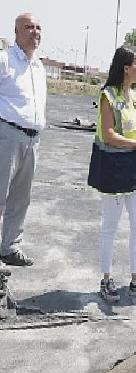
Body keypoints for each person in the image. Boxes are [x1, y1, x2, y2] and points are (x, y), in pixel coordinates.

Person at [88, 46, 136, 302]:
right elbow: (108, 134)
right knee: (110, 226)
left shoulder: (135, 97)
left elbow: (135, 130)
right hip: (114, 170)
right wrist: (135, 145)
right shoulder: (108, 95)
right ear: (125, 68)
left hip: (134, 170)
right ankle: (106, 280)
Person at [0, 13, 46, 267]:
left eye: (38, 28)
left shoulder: (37, 66)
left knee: (20, 197)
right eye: (28, 27)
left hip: (32, 139)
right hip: (7, 135)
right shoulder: (5, 60)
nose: (34, 32)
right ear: (16, 32)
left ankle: (9, 247)